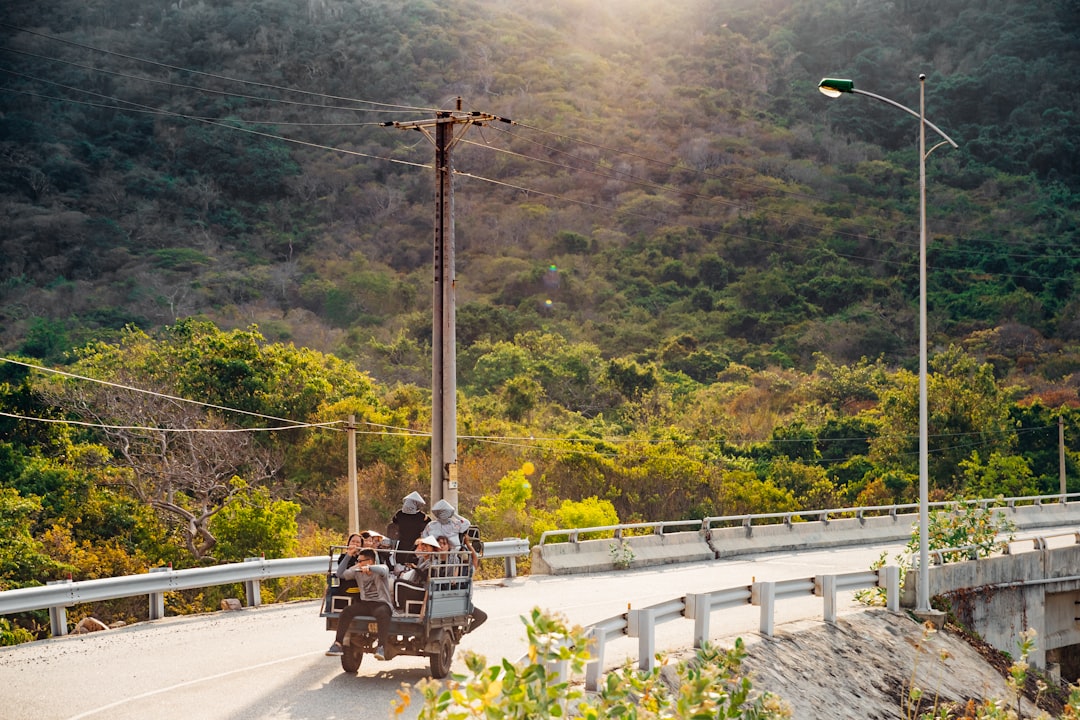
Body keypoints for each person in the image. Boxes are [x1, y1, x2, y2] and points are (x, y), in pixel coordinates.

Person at [326, 548, 395, 660]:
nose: (358, 563)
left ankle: (381, 646)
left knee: (382, 613)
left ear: (370, 561)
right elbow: (340, 574)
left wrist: (369, 568)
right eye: (358, 560)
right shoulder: (357, 571)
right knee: (347, 611)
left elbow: (383, 570)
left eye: (361, 561)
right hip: (366, 603)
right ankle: (338, 644)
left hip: (382, 603)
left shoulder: (381, 569)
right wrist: (348, 556)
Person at [388, 492, 430, 565]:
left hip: (402, 542)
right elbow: (429, 521)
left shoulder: (399, 513)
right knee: (413, 562)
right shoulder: (421, 516)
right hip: (415, 543)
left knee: (400, 562)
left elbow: (394, 520)